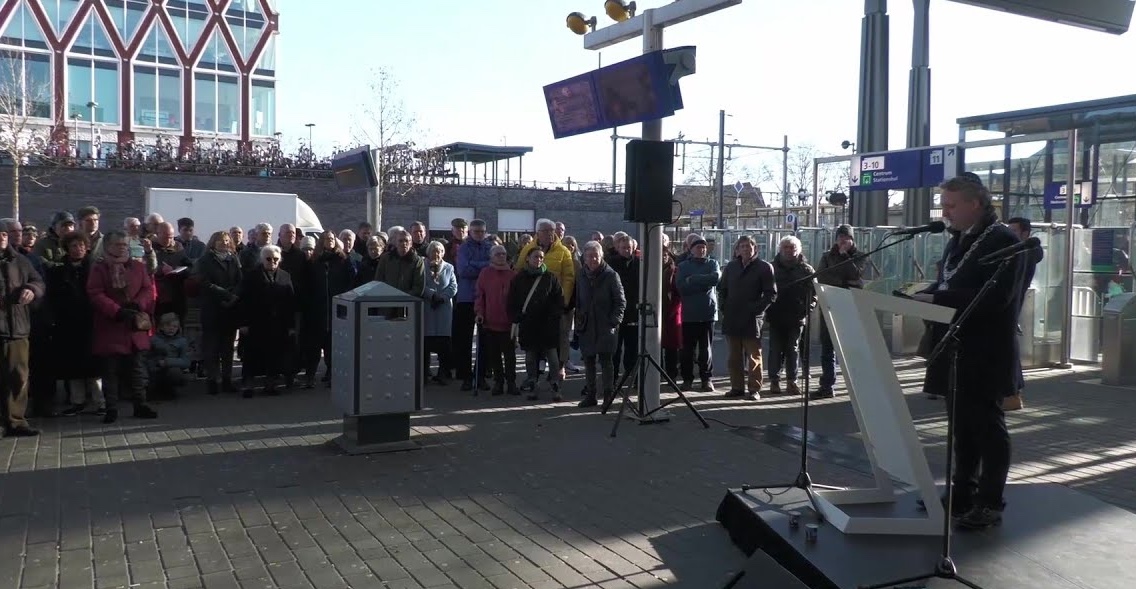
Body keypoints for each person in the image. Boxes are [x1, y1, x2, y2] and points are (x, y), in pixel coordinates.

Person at [915, 175, 1022, 530]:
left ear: (975, 203)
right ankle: (962, 492)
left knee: (987, 428)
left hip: (985, 352)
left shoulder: (1004, 241)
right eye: (943, 205)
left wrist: (934, 298)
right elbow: (948, 282)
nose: (944, 212)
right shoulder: (959, 239)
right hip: (954, 346)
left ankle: (990, 501)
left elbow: (994, 298)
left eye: (950, 205)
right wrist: (915, 293)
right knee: (961, 428)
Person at [717, 235, 776, 400]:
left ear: (755, 248)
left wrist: (756, 309)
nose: (745, 249)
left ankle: (754, 389)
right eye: (742, 246)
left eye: (748, 246)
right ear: (737, 250)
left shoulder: (764, 267)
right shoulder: (731, 267)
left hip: (752, 318)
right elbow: (722, 290)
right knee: (733, 357)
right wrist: (724, 307)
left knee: (754, 357)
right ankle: (736, 387)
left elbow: (771, 294)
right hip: (732, 317)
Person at [814, 224, 864, 399]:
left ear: (852, 240)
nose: (843, 241)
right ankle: (827, 385)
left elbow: (857, 276)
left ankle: (858, 386)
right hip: (829, 304)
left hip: (849, 306)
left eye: (846, 238)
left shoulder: (859, 256)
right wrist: (843, 282)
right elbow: (821, 276)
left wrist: (844, 258)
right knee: (827, 347)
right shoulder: (827, 256)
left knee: (851, 348)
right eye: (840, 238)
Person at [573, 241, 625, 408]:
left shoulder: (611, 275)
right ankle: (591, 395)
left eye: (596, 255)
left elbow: (620, 302)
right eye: (589, 256)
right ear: (585, 258)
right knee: (588, 361)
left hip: (605, 326)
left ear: (601, 256)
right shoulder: (581, 275)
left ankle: (608, 395)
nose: (593, 259)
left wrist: (614, 321)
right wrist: (578, 319)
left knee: (606, 361)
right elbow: (578, 299)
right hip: (586, 325)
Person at [1004, 217, 1043, 412]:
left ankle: (1013, 394)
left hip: (1011, 306)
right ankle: (1011, 393)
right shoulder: (1019, 252)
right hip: (1010, 305)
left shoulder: (1026, 253)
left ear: (1025, 234)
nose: (1010, 234)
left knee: (1009, 350)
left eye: (1014, 231)